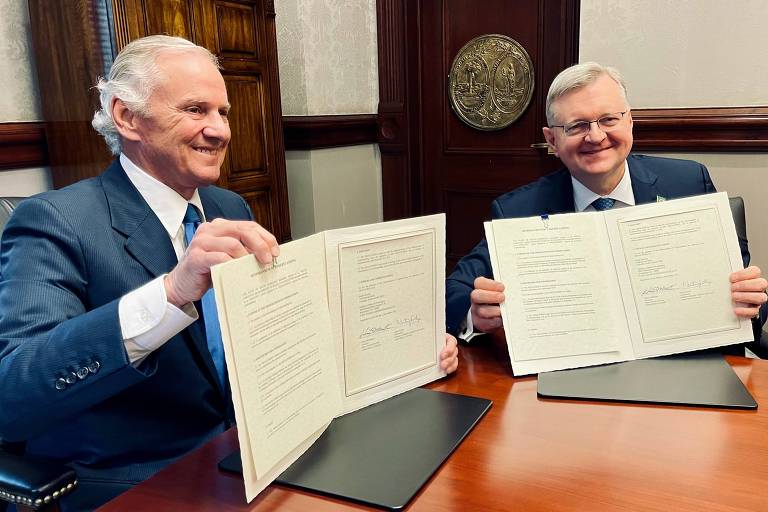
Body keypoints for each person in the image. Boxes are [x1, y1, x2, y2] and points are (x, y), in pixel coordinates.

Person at [0, 35, 458, 511]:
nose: (220, 131)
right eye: (196, 110)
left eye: (224, 113)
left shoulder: (227, 206)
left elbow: (279, 340)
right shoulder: (55, 220)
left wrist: (405, 348)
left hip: (258, 455)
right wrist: (172, 294)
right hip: (142, 485)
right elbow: (12, 393)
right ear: (126, 116)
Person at [446, 62, 767, 349]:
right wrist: (475, 314)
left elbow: (748, 294)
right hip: (574, 372)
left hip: (685, 365)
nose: (595, 136)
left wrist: (751, 302)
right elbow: (455, 290)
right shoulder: (519, 209)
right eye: (576, 126)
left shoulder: (688, 183)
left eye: (608, 119)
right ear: (552, 140)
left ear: (630, 123)